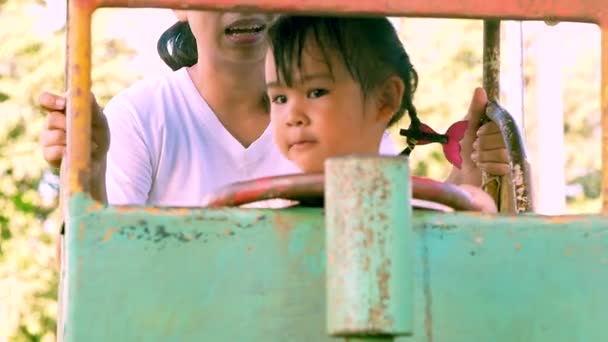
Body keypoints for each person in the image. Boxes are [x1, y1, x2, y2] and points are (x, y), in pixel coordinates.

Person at [40, 11, 399, 207]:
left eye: (316, 91)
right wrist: (86, 172)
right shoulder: (139, 117)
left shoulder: (347, 120)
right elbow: (94, 277)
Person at [264, 15, 498, 211]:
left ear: (384, 99)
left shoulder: (420, 209)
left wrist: (470, 182)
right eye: (280, 98)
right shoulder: (261, 213)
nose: (292, 116)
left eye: (316, 92)